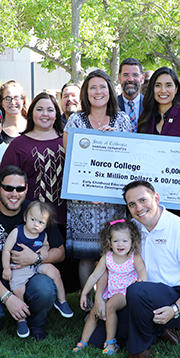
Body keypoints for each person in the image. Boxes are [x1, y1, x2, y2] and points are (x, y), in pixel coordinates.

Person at [88, 181, 180, 358]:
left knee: (137, 289)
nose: (138, 208)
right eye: (132, 204)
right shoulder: (132, 230)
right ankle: (161, 330)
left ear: (156, 198)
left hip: (176, 297)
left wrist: (175, 309)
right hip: (139, 298)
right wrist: (99, 298)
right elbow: (109, 263)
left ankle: (140, 351)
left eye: (143, 200)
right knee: (98, 339)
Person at [0, 166, 65, 340]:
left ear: (26, 189)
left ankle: (36, 322)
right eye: (8, 188)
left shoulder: (37, 212)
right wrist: (8, 298)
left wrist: (35, 258)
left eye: (20, 188)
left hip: (28, 274)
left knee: (44, 290)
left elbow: (60, 252)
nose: (14, 193)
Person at [63, 69, 133, 289]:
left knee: (112, 252)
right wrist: (88, 193)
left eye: (102, 86)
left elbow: (129, 159)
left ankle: (109, 299)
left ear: (110, 91)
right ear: (86, 93)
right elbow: (70, 161)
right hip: (83, 201)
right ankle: (88, 305)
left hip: (113, 200)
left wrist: (116, 140)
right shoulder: (75, 120)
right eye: (92, 87)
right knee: (86, 254)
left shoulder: (121, 120)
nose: (98, 91)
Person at [73, 219, 147, 355]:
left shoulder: (133, 256)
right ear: (110, 242)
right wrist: (84, 293)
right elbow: (95, 276)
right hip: (110, 292)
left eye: (125, 241)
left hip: (125, 293)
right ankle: (83, 342)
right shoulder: (107, 257)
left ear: (132, 241)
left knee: (110, 306)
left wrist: (142, 281)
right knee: (94, 313)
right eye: (116, 241)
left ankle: (111, 343)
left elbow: (142, 269)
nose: (120, 244)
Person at [2, 201, 73, 337]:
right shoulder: (17, 232)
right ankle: (21, 320)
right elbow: (6, 250)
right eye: (33, 219)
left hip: (36, 264)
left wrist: (45, 249)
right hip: (20, 268)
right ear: (25, 218)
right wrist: (6, 268)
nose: (36, 224)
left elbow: (46, 244)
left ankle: (62, 301)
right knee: (18, 290)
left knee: (54, 272)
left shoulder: (43, 234)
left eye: (41, 222)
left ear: (46, 225)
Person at [1, 92, 67, 225]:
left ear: (56, 114)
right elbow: (6, 180)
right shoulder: (18, 144)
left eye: (50, 110)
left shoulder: (67, 141)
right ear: (31, 113)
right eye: (39, 109)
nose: (45, 114)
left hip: (64, 219)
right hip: (30, 221)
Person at [136, 67, 180, 139]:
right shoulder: (146, 116)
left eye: (168, 85)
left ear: (176, 89)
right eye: (158, 85)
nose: (163, 90)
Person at [117, 58, 144, 130]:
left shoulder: (151, 105)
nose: (130, 79)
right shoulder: (110, 105)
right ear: (119, 78)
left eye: (135, 75)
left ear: (142, 78)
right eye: (126, 75)